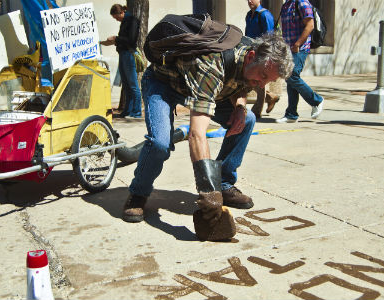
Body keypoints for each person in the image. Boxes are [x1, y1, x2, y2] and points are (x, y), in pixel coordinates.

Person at [122, 32, 293, 240]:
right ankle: (138, 193)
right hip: (163, 83)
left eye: (269, 80)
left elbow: (242, 84)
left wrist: (240, 107)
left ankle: (224, 183)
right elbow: (196, 134)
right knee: (160, 143)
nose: (262, 85)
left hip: (202, 87)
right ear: (251, 57)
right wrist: (209, 196)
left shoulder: (251, 61)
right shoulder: (212, 63)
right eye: (264, 76)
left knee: (247, 120)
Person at [276, 0, 324, 123]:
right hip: (288, 48)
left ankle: (316, 101)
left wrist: (298, 44)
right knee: (290, 78)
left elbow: (310, 25)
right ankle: (291, 114)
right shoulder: (286, 5)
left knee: (292, 76)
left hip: (299, 48)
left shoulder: (302, 3)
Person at [100, 4, 142, 118]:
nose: (116, 19)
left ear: (121, 13)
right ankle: (127, 110)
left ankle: (137, 111)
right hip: (123, 54)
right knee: (126, 84)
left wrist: (115, 38)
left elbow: (131, 40)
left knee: (133, 84)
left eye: (116, 17)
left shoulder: (132, 20)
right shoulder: (125, 21)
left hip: (129, 54)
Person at [245, 0, 280, 119]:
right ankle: (270, 97)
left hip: (262, 52)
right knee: (248, 79)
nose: (249, 1)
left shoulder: (265, 15)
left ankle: (257, 110)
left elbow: (270, 37)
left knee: (260, 80)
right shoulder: (249, 15)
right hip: (251, 51)